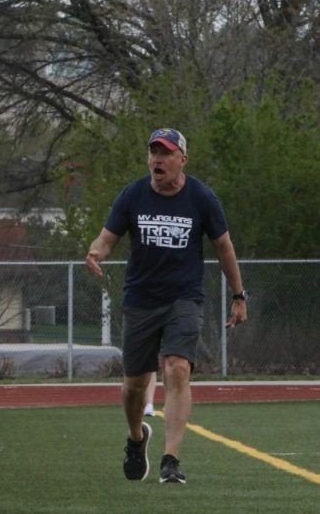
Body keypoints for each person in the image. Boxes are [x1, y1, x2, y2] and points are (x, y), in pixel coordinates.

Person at [85, 128, 247, 484]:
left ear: (182, 160)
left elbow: (224, 247)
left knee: (177, 369)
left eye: (166, 153)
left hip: (183, 299)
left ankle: (170, 460)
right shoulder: (133, 194)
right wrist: (97, 251)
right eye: (153, 152)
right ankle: (135, 438)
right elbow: (108, 237)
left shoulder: (202, 198)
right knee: (134, 386)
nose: (157, 159)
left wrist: (238, 295)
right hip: (141, 301)